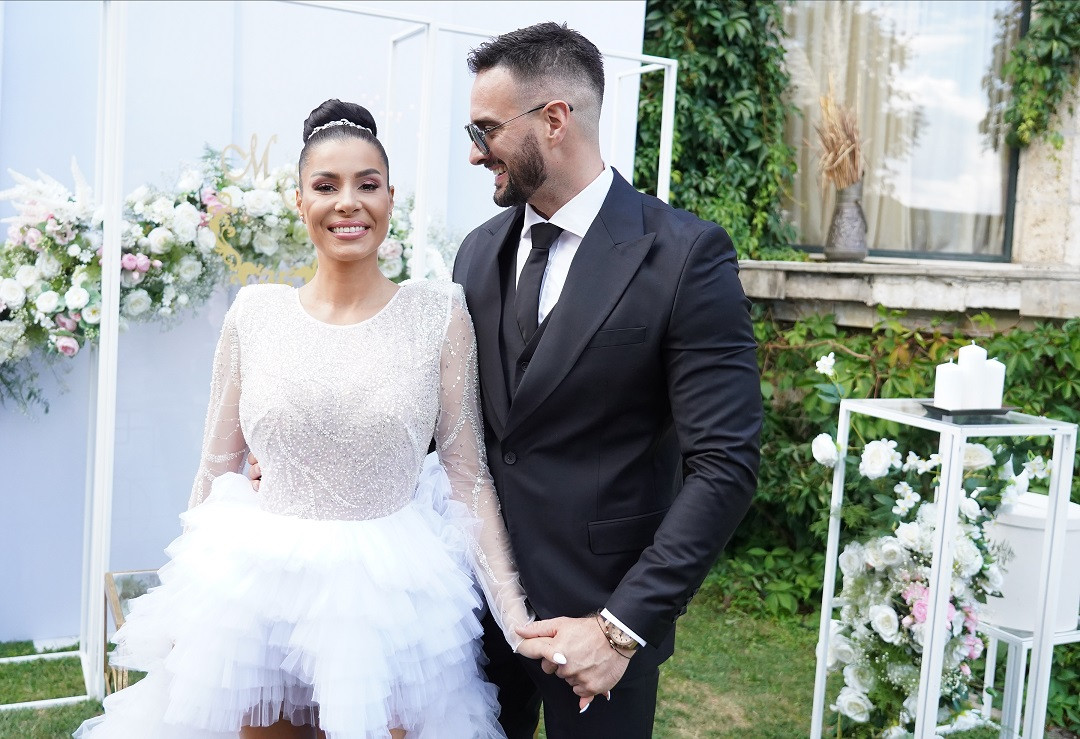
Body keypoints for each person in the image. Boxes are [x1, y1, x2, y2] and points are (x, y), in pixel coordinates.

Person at [75, 99, 548, 739]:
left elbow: (468, 479)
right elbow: (216, 469)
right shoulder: (255, 314)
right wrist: (186, 603)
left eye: (367, 185)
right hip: (257, 604)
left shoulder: (439, 313)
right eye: (326, 186)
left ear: (390, 198)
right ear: (299, 202)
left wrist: (513, 612)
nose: (348, 203)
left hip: (391, 604)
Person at [452, 21, 762, 737]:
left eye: (486, 129)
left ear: (554, 119)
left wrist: (620, 628)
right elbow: (457, 425)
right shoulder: (477, 252)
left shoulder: (685, 256)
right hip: (474, 614)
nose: (474, 152)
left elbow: (725, 463)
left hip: (599, 628)